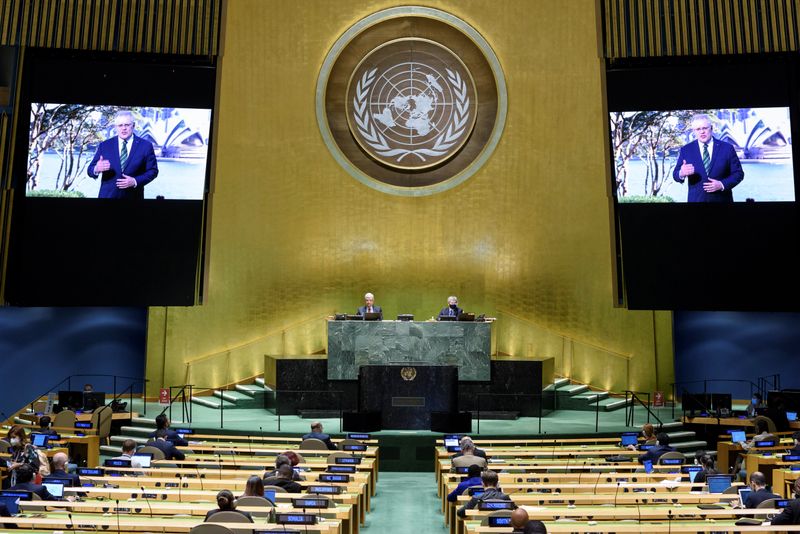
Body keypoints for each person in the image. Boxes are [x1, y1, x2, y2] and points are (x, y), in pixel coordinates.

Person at [87, 109, 159, 199]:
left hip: (134, 197)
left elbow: (153, 171)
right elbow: (90, 170)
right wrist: (96, 169)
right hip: (108, 196)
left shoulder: (146, 146)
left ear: (133, 126)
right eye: (120, 125)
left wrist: (135, 181)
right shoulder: (105, 145)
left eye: (127, 125)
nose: (123, 128)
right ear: (115, 127)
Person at [672, 113, 744, 203]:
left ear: (711, 128)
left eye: (705, 128)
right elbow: (675, 175)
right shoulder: (686, 150)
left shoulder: (727, 148)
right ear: (693, 131)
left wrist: (722, 185)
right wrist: (681, 173)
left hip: (722, 200)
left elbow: (738, 174)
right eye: (698, 129)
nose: (702, 132)